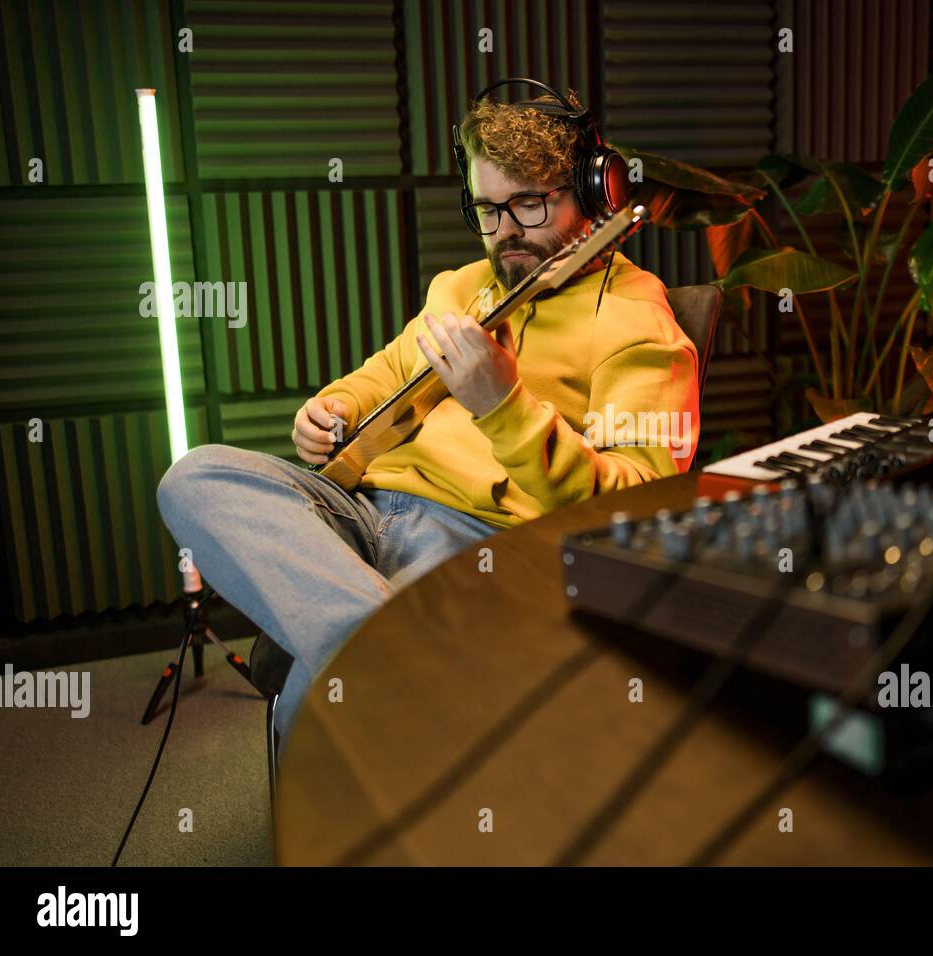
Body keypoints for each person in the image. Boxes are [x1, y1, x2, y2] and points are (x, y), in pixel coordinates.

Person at [156, 87, 699, 750]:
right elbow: (387, 372)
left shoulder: (638, 324)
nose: (507, 231)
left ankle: (368, 653)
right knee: (196, 477)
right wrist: (334, 407)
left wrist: (504, 406)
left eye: (529, 203)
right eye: (488, 210)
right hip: (363, 510)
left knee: (315, 700)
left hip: (478, 540)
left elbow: (635, 514)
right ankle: (389, 642)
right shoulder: (461, 287)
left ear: (593, 190)